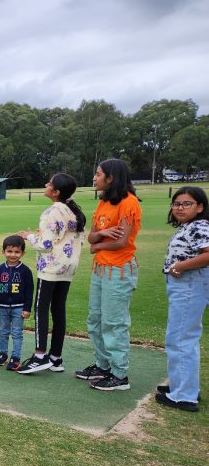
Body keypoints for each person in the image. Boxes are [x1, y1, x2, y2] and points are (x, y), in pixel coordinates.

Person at [76, 159, 141, 391]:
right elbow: (91, 236)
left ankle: (119, 374)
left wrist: (98, 246)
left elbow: (122, 241)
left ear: (111, 178)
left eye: (98, 174)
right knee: (95, 319)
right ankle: (103, 365)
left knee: (114, 322)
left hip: (119, 269)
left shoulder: (129, 203)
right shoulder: (104, 203)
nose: (95, 178)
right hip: (100, 269)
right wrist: (102, 236)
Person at [17, 173, 86, 375]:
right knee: (58, 310)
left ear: (55, 192)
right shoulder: (74, 211)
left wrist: (29, 237)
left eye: (49, 183)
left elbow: (45, 245)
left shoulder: (52, 212)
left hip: (51, 268)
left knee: (41, 309)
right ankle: (55, 357)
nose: (46, 184)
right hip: (68, 267)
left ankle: (40, 356)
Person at [156, 186, 209, 412]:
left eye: (187, 204)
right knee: (180, 336)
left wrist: (179, 266)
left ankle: (184, 396)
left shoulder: (199, 226)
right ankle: (182, 386)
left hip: (190, 285)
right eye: (177, 203)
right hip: (183, 284)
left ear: (200, 207)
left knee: (180, 338)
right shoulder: (190, 226)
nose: (180, 207)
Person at [0, 235, 34, 371]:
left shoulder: (25, 271)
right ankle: (3, 354)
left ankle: (15, 358)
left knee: (17, 333)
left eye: (17, 252)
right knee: (3, 332)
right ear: (3, 252)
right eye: (9, 251)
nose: (13, 255)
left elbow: (29, 291)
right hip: (2, 307)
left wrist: (27, 308)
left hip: (18, 308)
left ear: (22, 253)